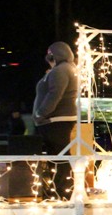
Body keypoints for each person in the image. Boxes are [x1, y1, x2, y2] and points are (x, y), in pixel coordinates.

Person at [33, 41, 78, 199]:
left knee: (60, 156)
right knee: (58, 156)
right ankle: (59, 191)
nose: (48, 57)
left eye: (50, 54)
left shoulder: (61, 70)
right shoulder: (64, 69)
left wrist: (40, 113)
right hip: (56, 120)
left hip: (56, 120)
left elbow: (54, 95)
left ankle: (63, 191)